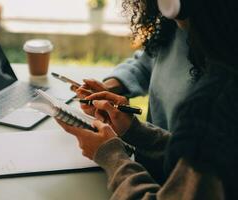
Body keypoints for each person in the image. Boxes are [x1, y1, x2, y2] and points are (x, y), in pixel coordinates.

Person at [57, 0, 238, 199]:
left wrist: (110, 156)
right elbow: (188, 161)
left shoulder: (215, 106)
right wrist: (134, 130)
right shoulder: (177, 28)